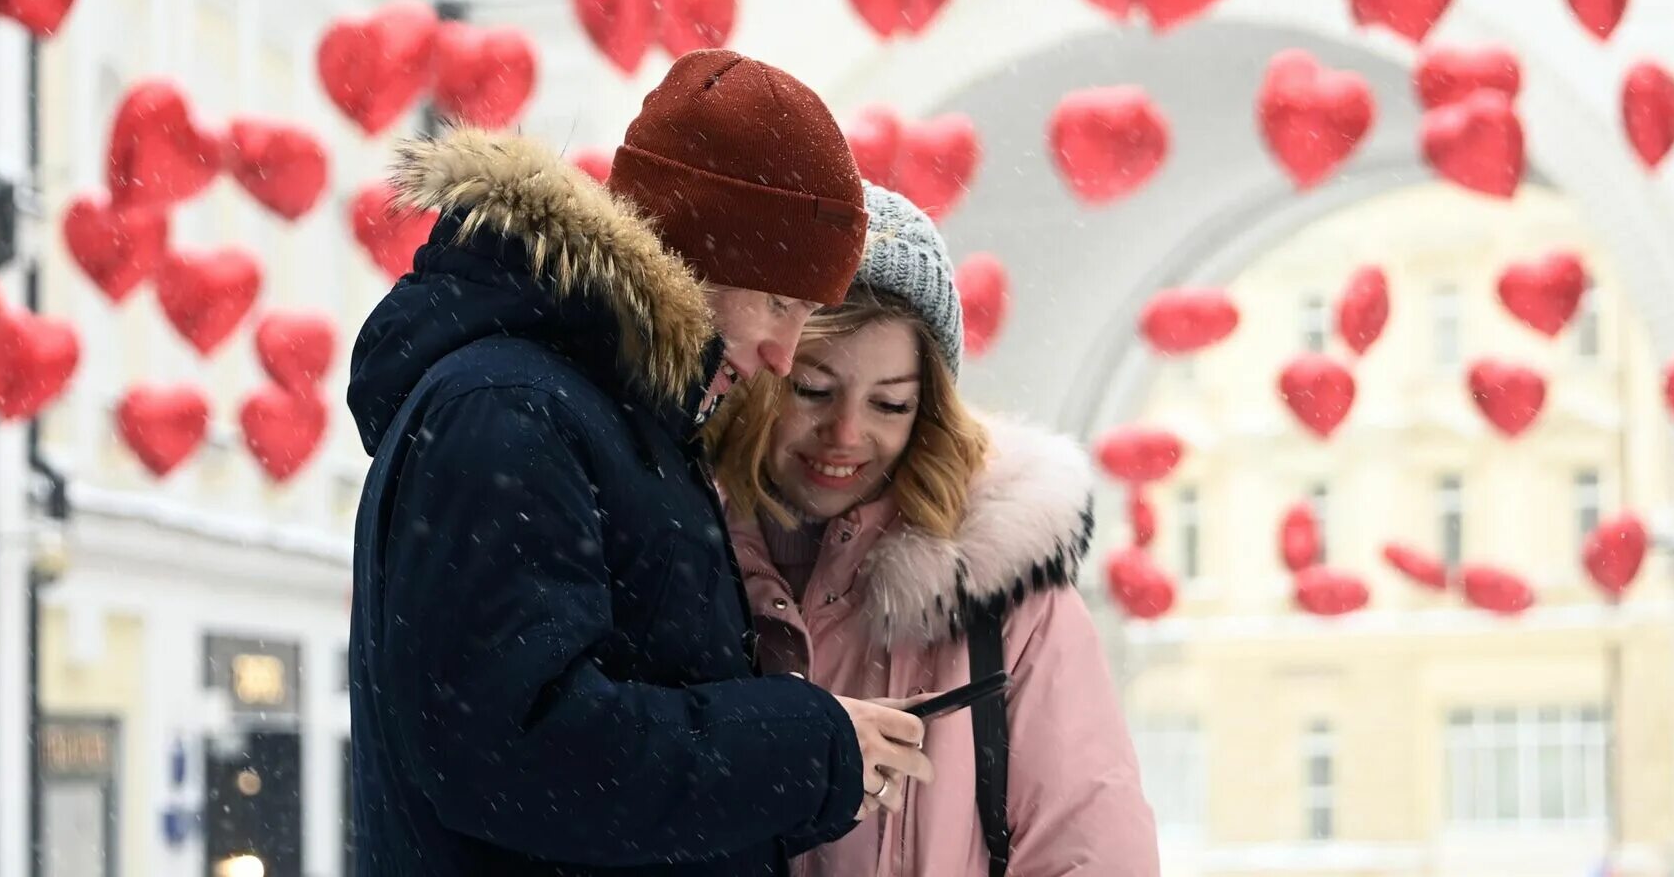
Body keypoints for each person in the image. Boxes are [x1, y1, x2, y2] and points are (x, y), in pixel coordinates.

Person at [345, 49, 934, 877]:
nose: (781, 352)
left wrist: (813, 761)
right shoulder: (511, 413)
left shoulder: (604, 418)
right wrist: (804, 746)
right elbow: (522, 755)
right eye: (776, 302)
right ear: (693, 252)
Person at [710, 184, 1161, 876]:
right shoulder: (680, 558)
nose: (848, 434)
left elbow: (1090, 849)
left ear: (929, 411)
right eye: (814, 390)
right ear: (763, 373)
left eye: (890, 402)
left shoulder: (1005, 593)